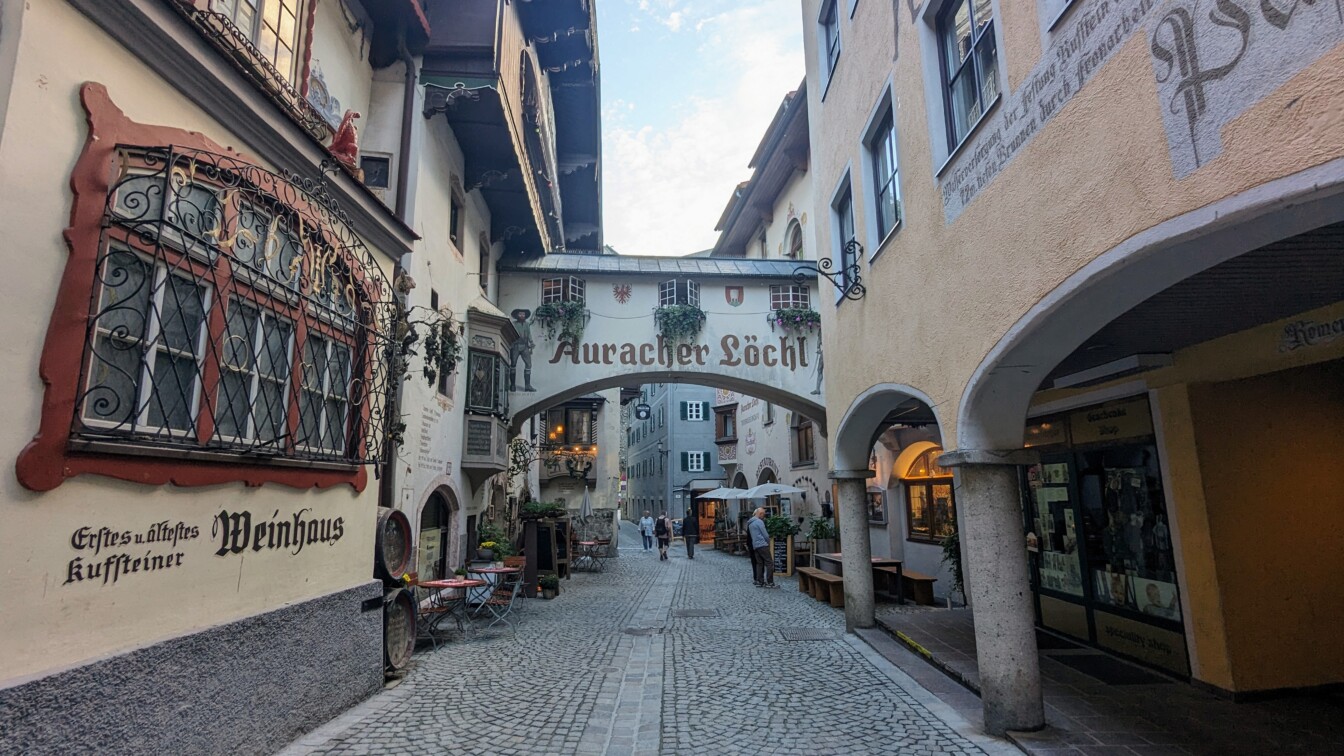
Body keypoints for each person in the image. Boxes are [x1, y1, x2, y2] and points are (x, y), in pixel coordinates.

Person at [748, 507, 775, 587]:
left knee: (759, 564)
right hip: (762, 544)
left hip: (755, 545)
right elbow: (765, 535)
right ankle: (770, 582)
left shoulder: (750, 523)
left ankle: (760, 581)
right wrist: (768, 542)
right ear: (760, 514)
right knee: (769, 563)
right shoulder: (759, 522)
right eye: (763, 514)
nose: (764, 516)